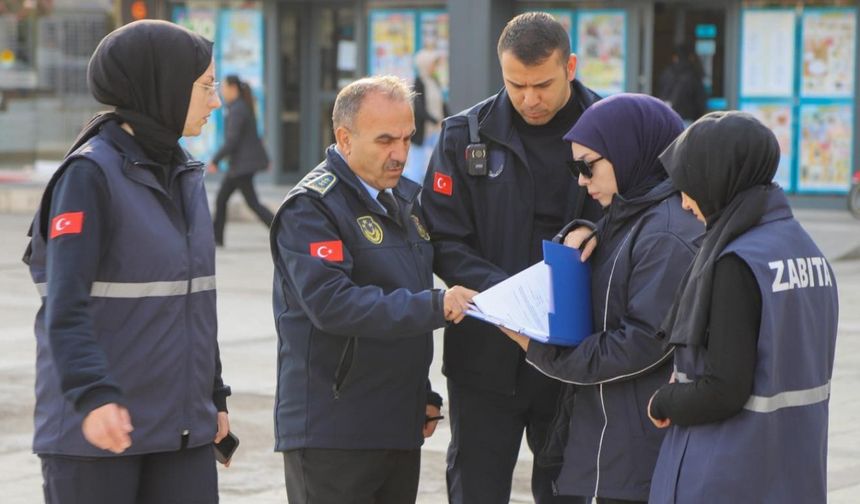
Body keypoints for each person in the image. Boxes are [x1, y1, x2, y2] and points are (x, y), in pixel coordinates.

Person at [23, 20, 231, 503]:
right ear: (162, 87)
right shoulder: (89, 176)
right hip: (97, 435)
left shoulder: (185, 173)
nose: (215, 101)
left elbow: (193, 300)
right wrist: (93, 396)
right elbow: (64, 306)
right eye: (205, 87)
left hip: (182, 430)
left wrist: (214, 395)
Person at [421, 12, 602, 504]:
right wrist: (510, 295)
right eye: (515, 84)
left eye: (541, 84)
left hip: (574, 355)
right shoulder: (465, 135)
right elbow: (440, 236)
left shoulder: (609, 131)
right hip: (486, 354)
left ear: (570, 66)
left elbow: (638, 220)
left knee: (570, 489)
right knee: (475, 487)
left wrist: (596, 230)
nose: (528, 99)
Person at [269, 75, 476, 504]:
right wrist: (436, 306)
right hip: (335, 431)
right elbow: (333, 303)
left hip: (397, 424)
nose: (400, 153)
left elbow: (401, 288)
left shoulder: (402, 200)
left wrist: (420, 393)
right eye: (385, 140)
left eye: (407, 138)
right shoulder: (312, 208)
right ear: (345, 139)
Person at [501, 94, 702, 503]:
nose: (580, 179)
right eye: (574, 167)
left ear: (630, 152)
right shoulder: (628, 213)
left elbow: (640, 344)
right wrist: (582, 231)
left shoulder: (665, 233)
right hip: (613, 440)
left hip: (638, 449)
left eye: (587, 165)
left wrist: (537, 348)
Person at [647, 111, 839, 503]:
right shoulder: (805, 249)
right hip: (792, 470)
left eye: (690, 185)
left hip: (729, 473)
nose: (685, 202)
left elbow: (724, 389)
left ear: (720, 179)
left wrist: (664, 400)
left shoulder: (736, 262)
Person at [209, 74, 274, 247]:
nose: (222, 91)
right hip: (241, 165)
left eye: (224, 88)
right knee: (237, 201)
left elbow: (232, 140)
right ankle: (217, 238)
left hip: (241, 166)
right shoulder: (241, 106)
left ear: (233, 89)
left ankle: (281, 229)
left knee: (238, 201)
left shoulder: (237, 109)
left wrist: (215, 160)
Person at [403, 48, 449, 184]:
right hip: (422, 131)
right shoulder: (418, 82)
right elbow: (419, 108)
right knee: (416, 167)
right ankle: (411, 198)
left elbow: (442, 104)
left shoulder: (435, 81)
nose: (434, 67)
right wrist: (433, 119)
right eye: (432, 64)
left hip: (437, 129)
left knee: (439, 162)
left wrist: (449, 119)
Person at [656, 43, 707, 125]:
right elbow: (700, 100)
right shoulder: (693, 74)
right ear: (691, 57)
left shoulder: (667, 73)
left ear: (675, 57)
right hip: (688, 119)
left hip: (668, 118)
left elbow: (661, 94)